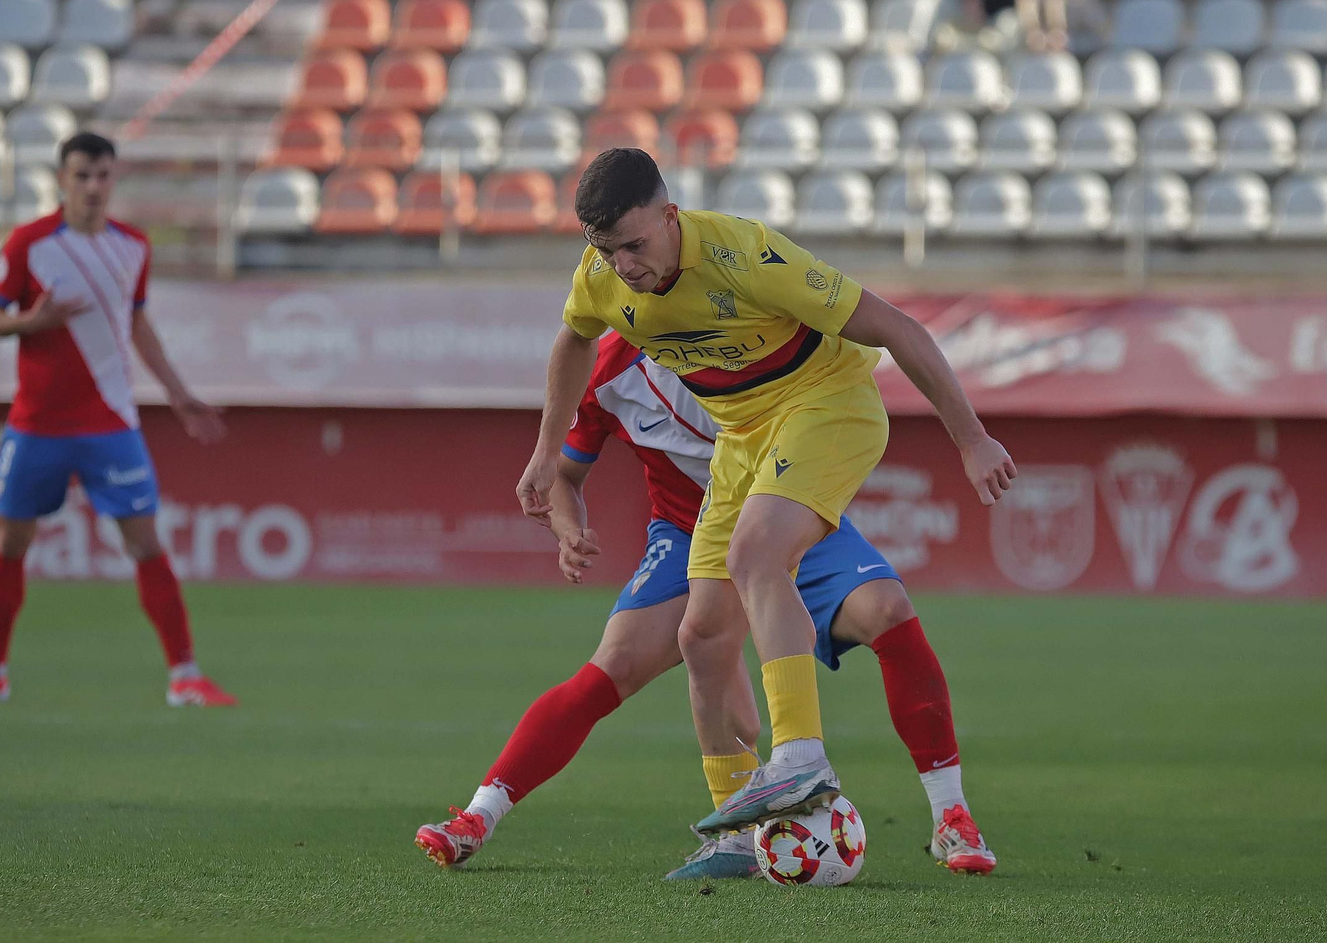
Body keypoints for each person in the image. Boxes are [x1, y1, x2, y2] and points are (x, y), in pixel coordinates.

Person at [514, 148, 1015, 840]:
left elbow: (898, 328)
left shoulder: (747, 257)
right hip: (743, 436)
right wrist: (546, 451)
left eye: (634, 245)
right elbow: (574, 338)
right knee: (702, 634)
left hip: (827, 404)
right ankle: (738, 839)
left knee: (757, 556)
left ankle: (801, 759)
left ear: (670, 216)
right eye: (606, 249)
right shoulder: (602, 277)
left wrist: (972, 439)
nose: (623, 265)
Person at [417, 334, 997, 878]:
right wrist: (568, 530)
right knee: (616, 664)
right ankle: (479, 817)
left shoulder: (739, 315)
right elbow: (566, 476)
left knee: (888, 611)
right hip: (686, 531)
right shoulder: (603, 369)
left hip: (783, 508)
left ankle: (952, 817)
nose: (634, 282)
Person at [0, 132, 237, 708]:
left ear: (114, 179)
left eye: (103, 176)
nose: (93, 187)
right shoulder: (29, 243)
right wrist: (32, 322)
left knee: (145, 542)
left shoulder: (133, 246)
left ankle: (185, 676)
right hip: (36, 425)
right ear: (62, 180)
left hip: (111, 424)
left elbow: (137, 322)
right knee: (11, 541)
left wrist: (178, 393)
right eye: (82, 176)